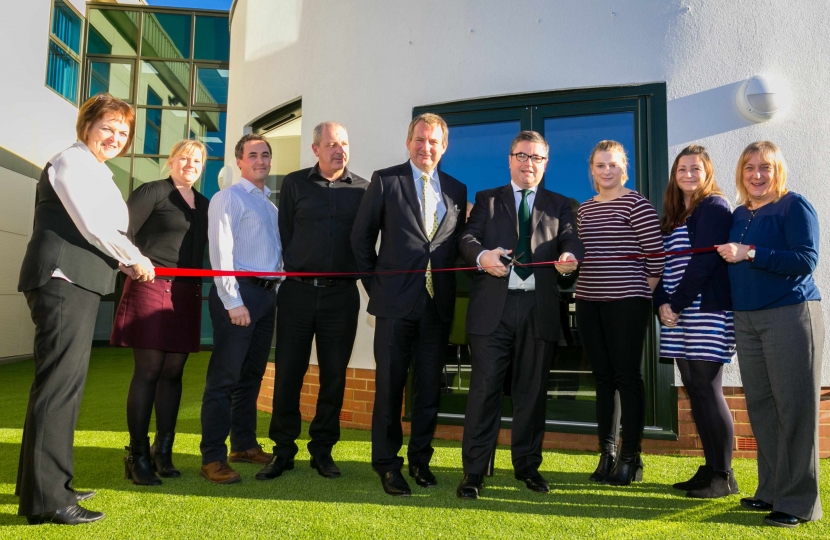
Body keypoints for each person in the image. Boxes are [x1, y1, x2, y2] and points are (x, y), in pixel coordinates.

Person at [16, 94, 154, 525]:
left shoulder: (96, 170)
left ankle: (40, 485)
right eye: (107, 127)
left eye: (123, 132)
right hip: (62, 280)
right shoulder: (71, 162)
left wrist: (123, 256)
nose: (115, 137)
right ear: (87, 126)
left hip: (75, 282)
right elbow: (93, 223)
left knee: (57, 387)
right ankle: (49, 500)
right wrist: (134, 256)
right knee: (59, 388)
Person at [455, 131, 583, 499]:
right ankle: (474, 472)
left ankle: (527, 467)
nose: (529, 164)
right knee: (484, 392)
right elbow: (467, 240)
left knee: (531, 393)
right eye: (522, 156)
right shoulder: (487, 200)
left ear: (546, 163)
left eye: (537, 158)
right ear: (510, 159)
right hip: (492, 309)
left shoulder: (561, 204)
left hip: (537, 309)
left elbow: (572, 240)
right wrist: (482, 257)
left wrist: (570, 259)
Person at [350, 113, 467, 496]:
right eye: (420, 139)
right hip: (394, 305)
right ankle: (387, 464)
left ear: (443, 147)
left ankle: (420, 460)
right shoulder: (386, 180)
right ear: (408, 141)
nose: (426, 147)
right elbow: (361, 241)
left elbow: (451, 246)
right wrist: (376, 289)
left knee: (429, 389)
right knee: (389, 387)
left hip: (436, 307)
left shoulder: (456, 189)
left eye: (434, 141)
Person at [717, 141, 823, 528]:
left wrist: (751, 253)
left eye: (765, 167)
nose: (757, 175)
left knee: (794, 408)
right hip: (747, 319)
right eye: (749, 167)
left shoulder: (794, 205)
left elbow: (806, 259)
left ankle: (798, 504)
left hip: (790, 315)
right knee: (762, 406)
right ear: (740, 173)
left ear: (777, 170)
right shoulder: (740, 212)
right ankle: (771, 490)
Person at [257, 122, 369, 481]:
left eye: (345, 144)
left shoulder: (364, 189)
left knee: (334, 376)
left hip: (342, 297)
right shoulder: (294, 183)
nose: (340, 150)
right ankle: (283, 451)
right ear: (316, 149)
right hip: (298, 293)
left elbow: (367, 240)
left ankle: (322, 450)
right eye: (332, 144)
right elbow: (285, 233)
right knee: (289, 372)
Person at [111, 139, 210, 485]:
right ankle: (136, 456)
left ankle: (162, 452)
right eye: (184, 158)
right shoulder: (152, 191)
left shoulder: (205, 204)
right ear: (171, 161)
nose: (191, 164)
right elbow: (119, 231)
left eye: (197, 160)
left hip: (186, 294)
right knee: (150, 369)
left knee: (173, 370)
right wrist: (130, 264)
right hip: (151, 286)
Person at [575, 140, 664, 485]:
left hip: (628, 301)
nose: (606, 170)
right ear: (592, 170)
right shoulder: (584, 209)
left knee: (627, 377)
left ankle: (631, 457)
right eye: (600, 165)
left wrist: (640, 293)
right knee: (602, 379)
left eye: (613, 164)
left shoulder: (636, 204)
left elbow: (656, 257)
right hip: (588, 300)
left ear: (623, 168)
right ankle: (607, 453)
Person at [653, 145, 737, 498]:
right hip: (678, 311)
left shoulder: (714, 207)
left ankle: (724, 475)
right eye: (681, 169)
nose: (687, 174)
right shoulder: (675, 214)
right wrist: (661, 303)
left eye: (695, 168)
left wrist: (677, 302)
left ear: (707, 173)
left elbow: (703, 264)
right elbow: (662, 266)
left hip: (705, 311)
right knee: (694, 388)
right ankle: (709, 468)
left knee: (708, 388)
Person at [199, 134, 282, 484]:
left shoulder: (270, 204)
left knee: (251, 377)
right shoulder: (226, 198)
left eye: (265, 155)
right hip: (239, 295)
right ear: (239, 160)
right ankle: (213, 457)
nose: (260, 160)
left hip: (266, 297)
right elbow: (221, 253)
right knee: (224, 379)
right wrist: (233, 300)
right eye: (253, 155)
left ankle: (243, 445)